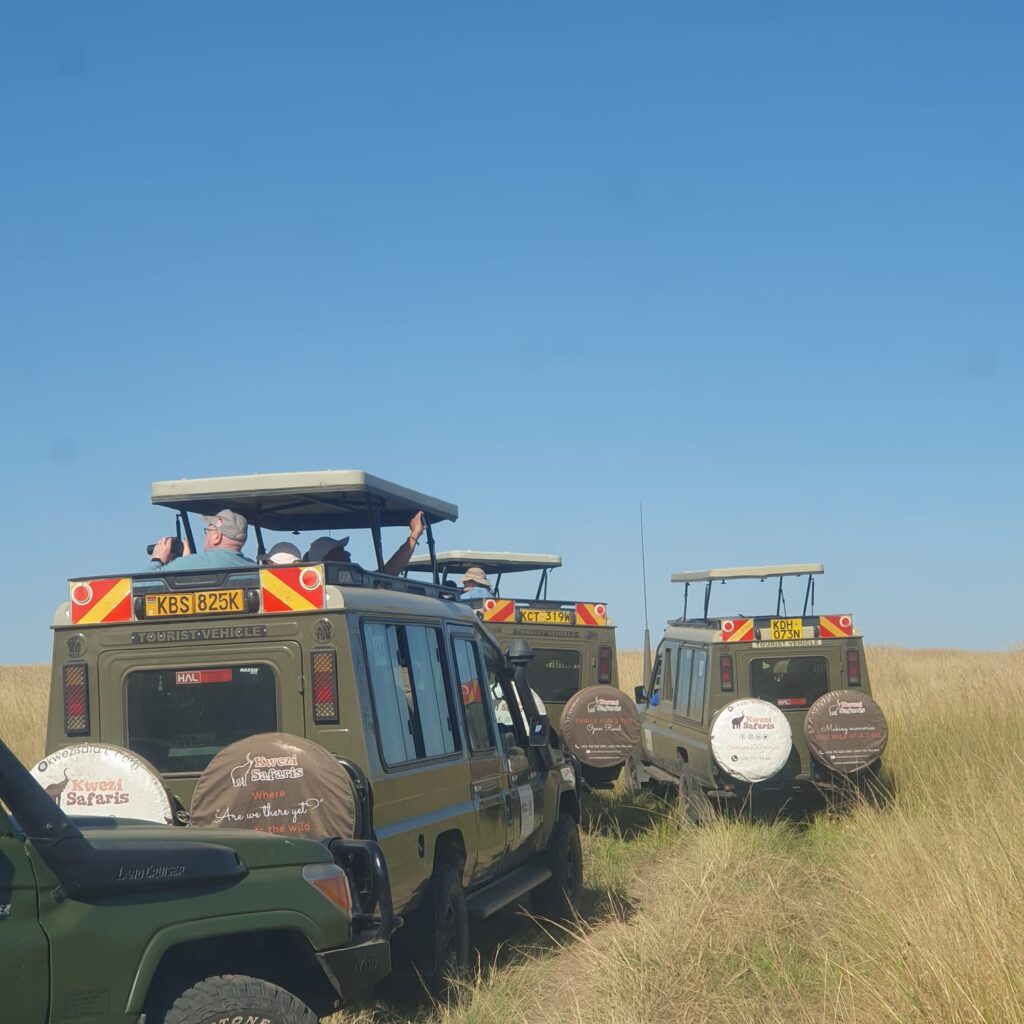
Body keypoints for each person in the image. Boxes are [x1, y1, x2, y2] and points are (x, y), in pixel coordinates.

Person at [304, 511, 426, 577]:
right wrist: (414, 535)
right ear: (326, 560)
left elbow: (387, 573)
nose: (348, 553)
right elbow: (388, 573)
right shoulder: (340, 588)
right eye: (339, 551)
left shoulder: (352, 582)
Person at [147, 510, 254, 572]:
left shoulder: (188, 564)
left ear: (217, 537)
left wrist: (157, 560)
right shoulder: (256, 570)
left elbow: (140, 585)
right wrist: (188, 560)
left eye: (208, 531)